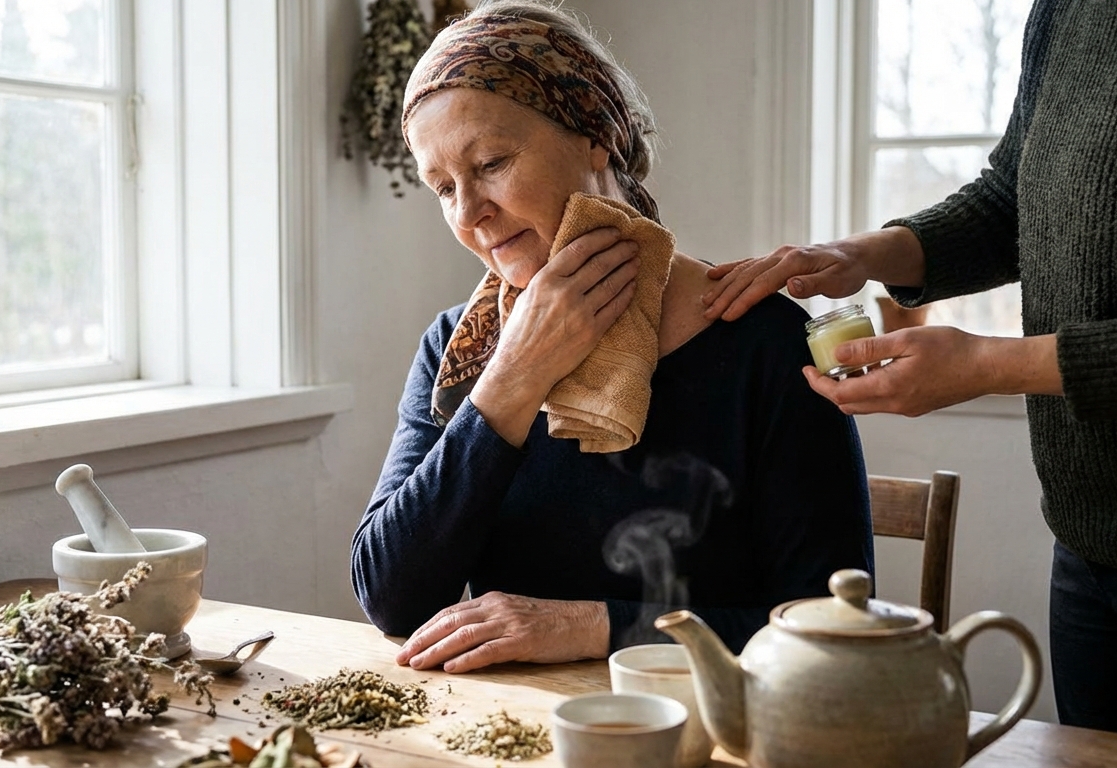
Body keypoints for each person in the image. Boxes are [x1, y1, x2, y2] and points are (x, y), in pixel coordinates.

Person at [700, 0, 1117, 744]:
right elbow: (1008, 204)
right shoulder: (1066, 10)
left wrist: (989, 364)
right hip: (1089, 539)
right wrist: (860, 255)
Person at [349, 0, 873, 676]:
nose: (471, 212)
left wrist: (594, 624)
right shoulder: (457, 349)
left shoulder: (763, 342)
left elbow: (833, 626)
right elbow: (393, 599)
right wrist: (512, 375)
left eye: (493, 162)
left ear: (593, 134)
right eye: (443, 187)